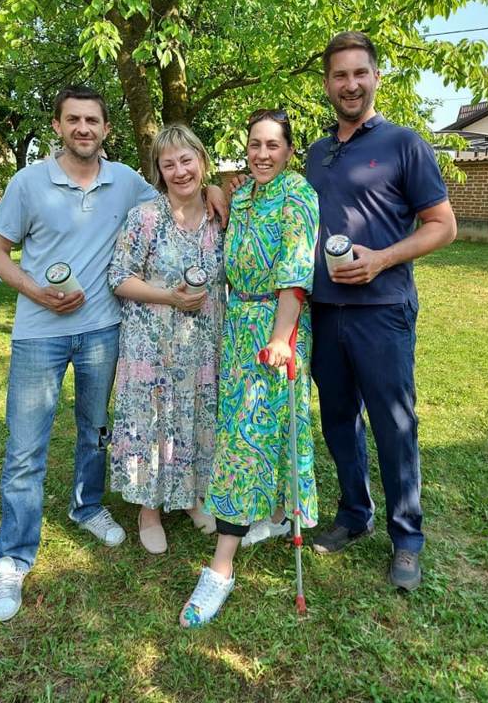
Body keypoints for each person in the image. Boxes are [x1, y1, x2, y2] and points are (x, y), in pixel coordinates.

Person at [0, 85, 227, 621]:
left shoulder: (125, 182)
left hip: (101, 332)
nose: (84, 129)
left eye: (92, 120)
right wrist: (33, 290)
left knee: (96, 431)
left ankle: (87, 506)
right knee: (26, 448)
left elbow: (184, 185)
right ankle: (13, 559)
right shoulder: (28, 183)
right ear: (57, 125)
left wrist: (217, 191)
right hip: (39, 331)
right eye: (73, 120)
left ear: (106, 129)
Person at [306, 32, 457, 590]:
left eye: (359, 73)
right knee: (338, 419)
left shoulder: (404, 143)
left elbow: (444, 225)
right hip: (324, 310)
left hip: (382, 309)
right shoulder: (318, 152)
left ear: (375, 77)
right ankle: (354, 514)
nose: (350, 84)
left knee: (394, 424)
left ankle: (407, 537)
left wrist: (382, 260)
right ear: (327, 84)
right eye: (340, 75)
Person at [179, 109, 319, 628]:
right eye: (255, 145)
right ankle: (279, 515)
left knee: (244, 440)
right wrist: (220, 185)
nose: (263, 154)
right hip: (235, 324)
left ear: (289, 150)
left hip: (272, 329)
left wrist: (281, 338)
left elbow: (295, 274)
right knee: (260, 426)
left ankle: (220, 568)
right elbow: (221, 196)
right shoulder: (243, 194)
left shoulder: (298, 194)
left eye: (273, 146)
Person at [108, 124, 225, 553]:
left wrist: (218, 190)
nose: (180, 171)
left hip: (202, 344)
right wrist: (169, 297)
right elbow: (119, 277)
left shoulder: (219, 216)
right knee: (151, 422)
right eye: (169, 163)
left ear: (201, 161)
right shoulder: (146, 218)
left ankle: (192, 497)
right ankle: (149, 509)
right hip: (152, 344)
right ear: (158, 171)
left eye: (187, 160)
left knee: (194, 418)